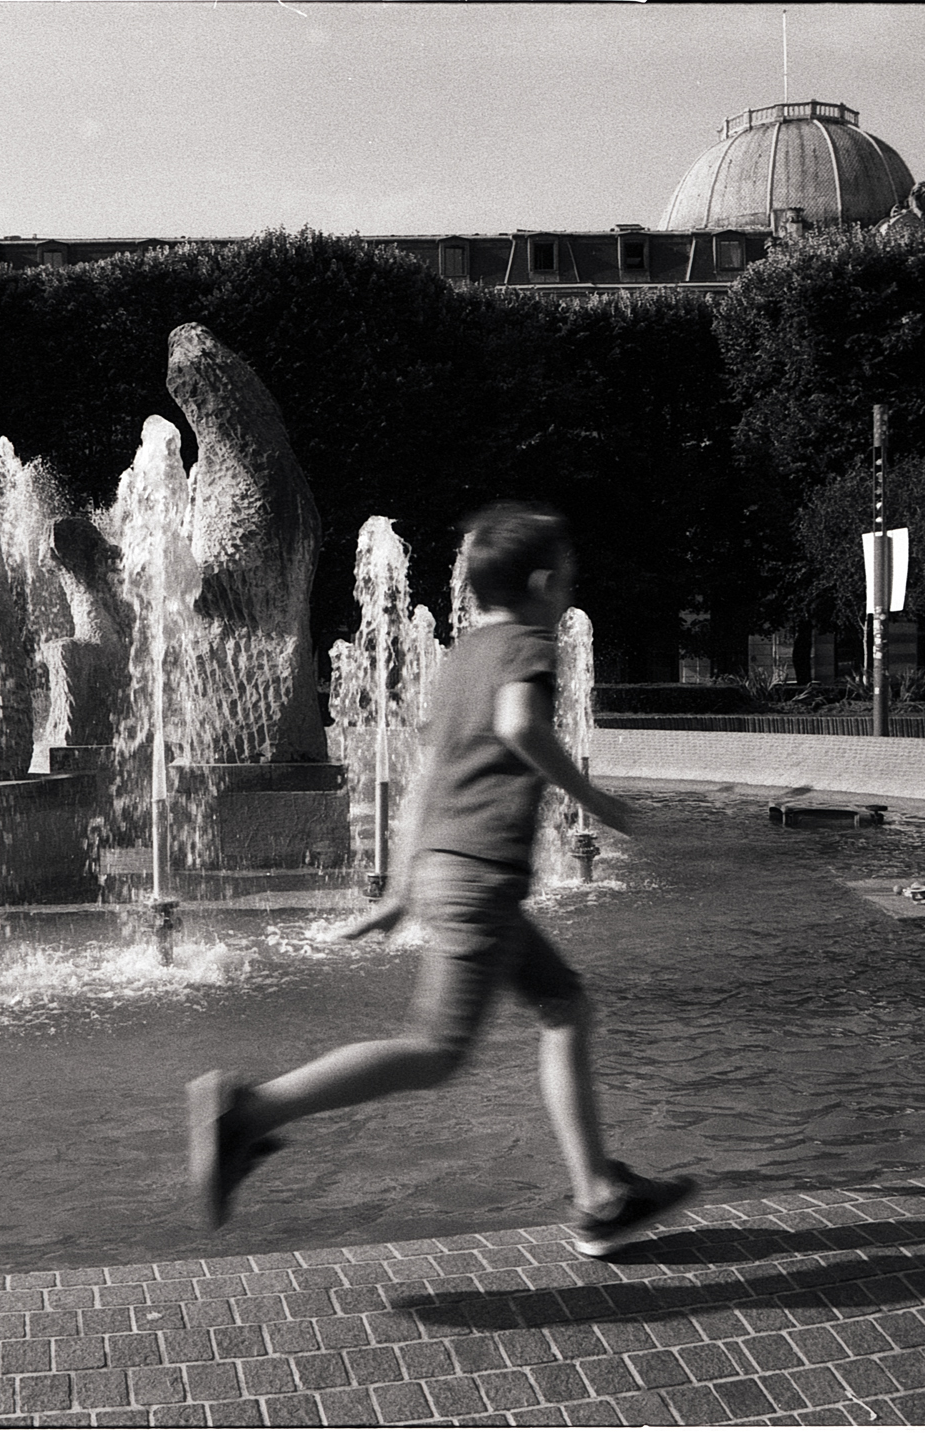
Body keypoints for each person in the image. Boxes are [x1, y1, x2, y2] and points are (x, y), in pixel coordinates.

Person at [188, 501, 700, 1259]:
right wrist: (598, 803)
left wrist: (401, 884)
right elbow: (521, 726)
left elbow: (426, 775)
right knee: (435, 1047)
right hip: (482, 876)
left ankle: (600, 1195)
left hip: (454, 871)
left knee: (565, 1006)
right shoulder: (529, 642)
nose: (570, 585)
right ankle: (248, 1110)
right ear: (542, 580)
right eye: (566, 572)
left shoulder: (463, 655)